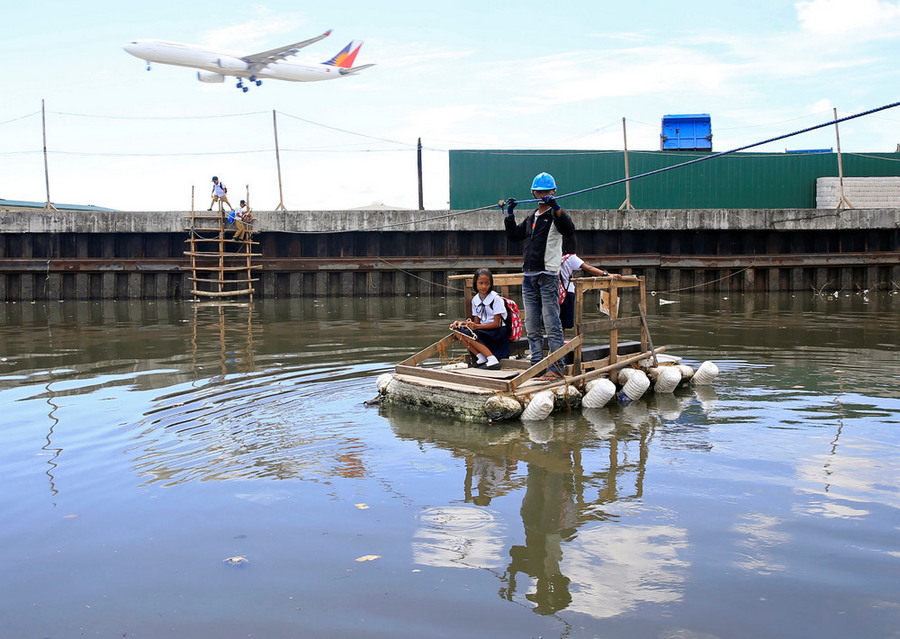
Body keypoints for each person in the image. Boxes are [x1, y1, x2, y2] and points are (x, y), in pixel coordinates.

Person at [504, 172, 575, 379]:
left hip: (548, 275)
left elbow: (569, 230)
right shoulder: (531, 217)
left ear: (553, 192)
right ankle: (536, 365)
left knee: (552, 322)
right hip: (529, 275)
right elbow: (514, 236)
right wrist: (509, 214)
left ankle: (556, 367)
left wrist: (556, 207)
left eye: (547, 191)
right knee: (532, 324)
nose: (542, 194)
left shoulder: (555, 216)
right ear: (533, 193)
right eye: (539, 191)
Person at [558, 238, 622, 334]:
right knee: (564, 322)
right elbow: (589, 268)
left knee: (554, 320)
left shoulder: (552, 258)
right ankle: (560, 343)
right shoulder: (570, 258)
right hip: (566, 292)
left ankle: (554, 343)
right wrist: (607, 274)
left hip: (552, 291)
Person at [450, 267, 510, 370]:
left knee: (469, 334)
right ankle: (481, 357)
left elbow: (496, 324)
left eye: (487, 283)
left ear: (491, 284)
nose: (484, 286)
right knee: (457, 331)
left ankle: (492, 360)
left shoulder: (496, 299)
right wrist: (460, 324)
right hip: (484, 329)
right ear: (475, 283)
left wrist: (476, 326)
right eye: (481, 283)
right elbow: (475, 323)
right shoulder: (475, 300)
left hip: (497, 332)